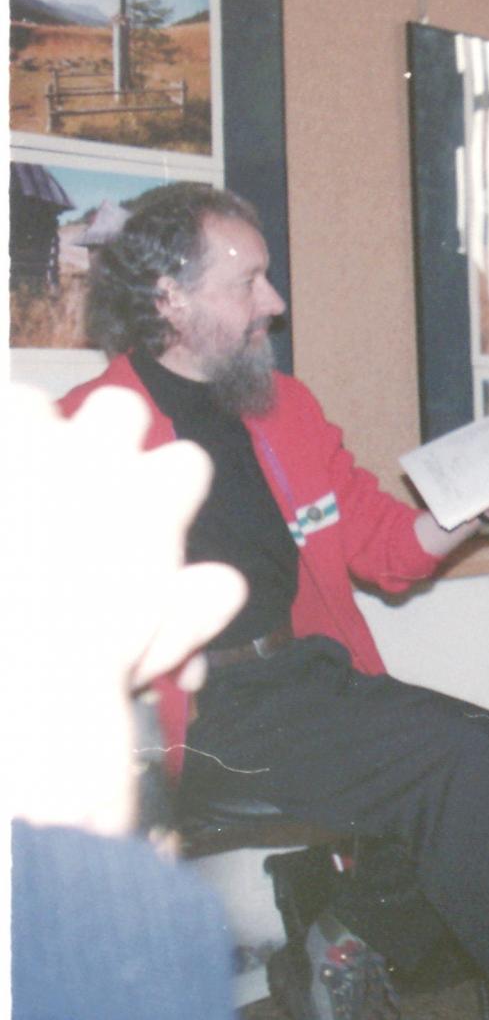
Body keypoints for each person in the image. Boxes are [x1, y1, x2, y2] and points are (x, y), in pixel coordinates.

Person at [57, 182, 489, 1020]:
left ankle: (342, 932)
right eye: (248, 282)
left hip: (298, 676)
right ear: (170, 300)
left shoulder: (283, 408)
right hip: (188, 713)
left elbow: (384, 546)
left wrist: (480, 504)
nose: (274, 301)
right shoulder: (85, 430)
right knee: (452, 759)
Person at [8, 381, 249, 1020]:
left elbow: (384, 542)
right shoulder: (103, 404)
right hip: (205, 717)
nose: (270, 321)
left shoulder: (281, 406)